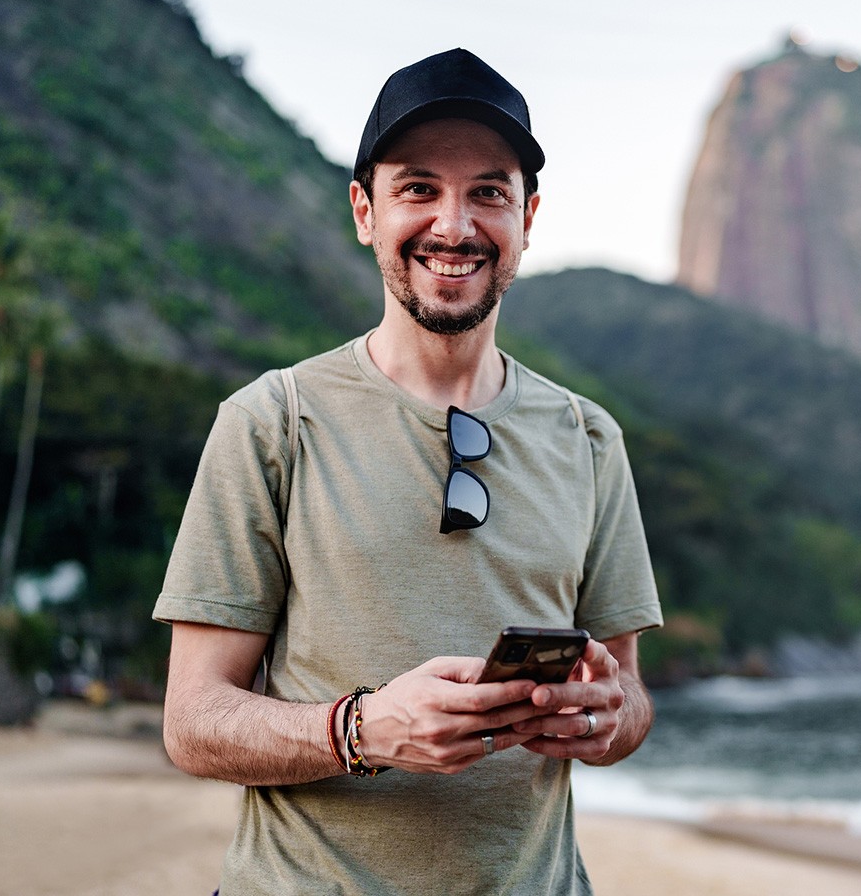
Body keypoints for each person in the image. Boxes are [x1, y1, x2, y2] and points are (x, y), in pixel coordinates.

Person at [153, 48, 664, 895]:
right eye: (419, 188)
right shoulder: (270, 422)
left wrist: (608, 718)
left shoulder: (589, 437)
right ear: (365, 210)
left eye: (488, 192)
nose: (455, 225)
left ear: (528, 217)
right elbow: (193, 722)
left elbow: (632, 701)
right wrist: (363, 730)